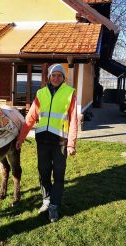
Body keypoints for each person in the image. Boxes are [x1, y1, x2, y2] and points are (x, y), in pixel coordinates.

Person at [16, 64, 78, 222]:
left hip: (60, 142)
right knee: (43, 172)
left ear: (64, 78)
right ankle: (46, 200)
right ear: (49, 77)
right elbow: (30, 117)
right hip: (42, 141)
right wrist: (21, 138)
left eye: (59, 75)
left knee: (58, 175)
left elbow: (73, 121)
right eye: (53, 75)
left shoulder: (70, 93)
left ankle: (54, 206)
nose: (56, 78)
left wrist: (71, 143)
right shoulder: (41, 93)